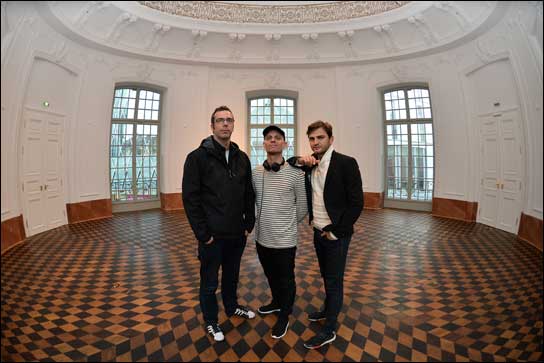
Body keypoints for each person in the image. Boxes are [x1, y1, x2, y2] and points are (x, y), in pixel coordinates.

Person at [182, 106, 256, 342]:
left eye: (229, 120)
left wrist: (249, 223)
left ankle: (232, 306)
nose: (225, 124)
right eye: (220, 120)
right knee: (209, 281)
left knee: (232, 276)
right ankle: (211, 322)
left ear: (234, 124)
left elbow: (248, 194)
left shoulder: (241, 157)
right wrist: (203, 234)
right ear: (212, 125)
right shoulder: (197, 158)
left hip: (237, 233)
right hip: (212, 236)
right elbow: (190, 199)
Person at [288, 120, 364, 349]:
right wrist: (300, 160)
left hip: (335, 234)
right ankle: (327, 309)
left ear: (331, 139)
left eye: (320, 138)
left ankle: (329, 329)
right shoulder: (310, 163)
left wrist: (337, 233)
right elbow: (290, 163)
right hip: (317, 230)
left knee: (334, 280)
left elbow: (356, 203)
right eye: (311, 139)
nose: (315, 142)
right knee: (326, 275)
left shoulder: (346, 163)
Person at [252, 125, 307, 339]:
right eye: (268, 138)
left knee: (286, 279)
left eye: (277, 138)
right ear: (264, 144)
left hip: (285, 240)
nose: (273, 141)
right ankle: (276, 302)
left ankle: (284, 315)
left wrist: (287, 224)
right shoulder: (256, 173)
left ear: (285, 144)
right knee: (270, 275)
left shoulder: (296, 173)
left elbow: (302, 206)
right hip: (261, 238)